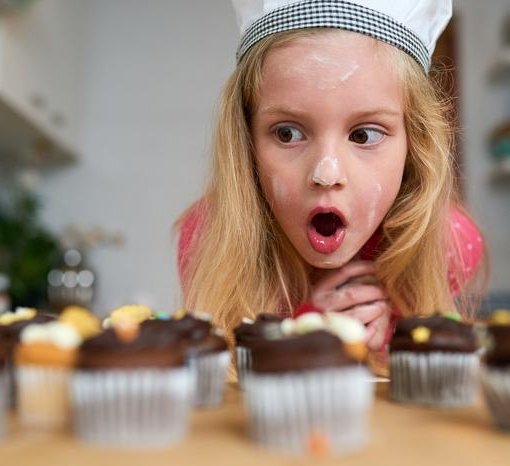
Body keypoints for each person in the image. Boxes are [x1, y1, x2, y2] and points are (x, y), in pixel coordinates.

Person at [176, 0, 486, 352]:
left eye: (363, 135)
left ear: (415, 144)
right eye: (287, 133)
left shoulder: (449, 242)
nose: (327, 174)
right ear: (246, 142)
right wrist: (307, 331)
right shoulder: (209, 239)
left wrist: (389, 337)